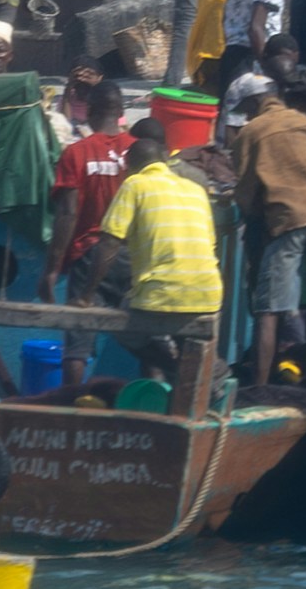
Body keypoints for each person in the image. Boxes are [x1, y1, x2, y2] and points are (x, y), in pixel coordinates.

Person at [95, 134, 229, 417]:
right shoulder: (195, 190)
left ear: (131, 166)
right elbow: (211, 243)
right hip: (208, 293)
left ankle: (178, 370)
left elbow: (109, 242)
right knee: (182, 331)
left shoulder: (135, 184)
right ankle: (204, 383)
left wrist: (85, 294)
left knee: (123, 328)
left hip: (161, 294)